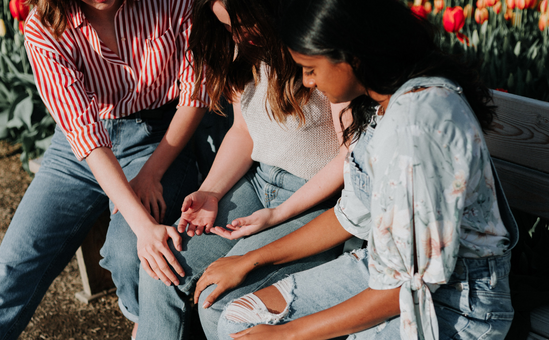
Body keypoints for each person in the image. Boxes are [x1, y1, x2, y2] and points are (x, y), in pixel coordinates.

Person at [194, 0, 520, 339]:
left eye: (311, 67)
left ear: (353, 55)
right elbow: (350, 214)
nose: (307, 81)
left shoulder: (418, 124)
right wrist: (251, 260)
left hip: (453, 304)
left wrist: (287, 334)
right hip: (380, 271)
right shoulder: (378, 104)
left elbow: (406, 288)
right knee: (237, 319)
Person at [0, 0, 209, 339]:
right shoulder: (43, 27)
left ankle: (145, 324)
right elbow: (85, 136)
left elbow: (197, 90)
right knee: (12, 271)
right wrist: (141, 221)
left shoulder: (173, 2)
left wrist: (150, 174)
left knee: (129, 249)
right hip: (78, 149)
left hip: (158, 139)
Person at [133, 0, 351, 338]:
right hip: (257, 184)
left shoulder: (316, 53)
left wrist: (278, 214)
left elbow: (347, 159)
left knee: (218, 301)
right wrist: (212, 190)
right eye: (225, 27)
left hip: (315, 201)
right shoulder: (243, 50)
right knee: (161, 269)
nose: (236, 35)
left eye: (242, 23)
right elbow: (243, 132)